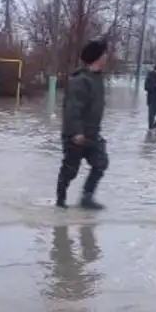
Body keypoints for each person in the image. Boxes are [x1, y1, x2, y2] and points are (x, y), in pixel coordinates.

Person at [56, 39, 109, 210]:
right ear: (98, 56)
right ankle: (60, 201)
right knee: (70, 169)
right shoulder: (80, 80)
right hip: (76, 135)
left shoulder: (97, 79)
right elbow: (72, 108)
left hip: (93, 133)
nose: (107, 56)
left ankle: (87, 197)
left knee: (101, 163)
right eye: (104, 53)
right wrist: (76, 132)